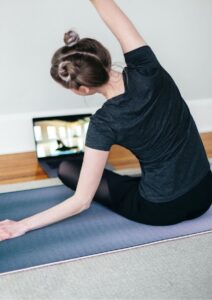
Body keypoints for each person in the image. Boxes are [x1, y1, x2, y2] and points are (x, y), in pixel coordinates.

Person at [0, 0, 212, 241]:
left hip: (160, 210)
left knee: (68, 169)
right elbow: (108, 9)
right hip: (205, 193)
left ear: (82, 90)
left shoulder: (103, 123)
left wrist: (21, 225)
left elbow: (81, 202)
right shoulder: (147, 67)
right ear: (104, 57)